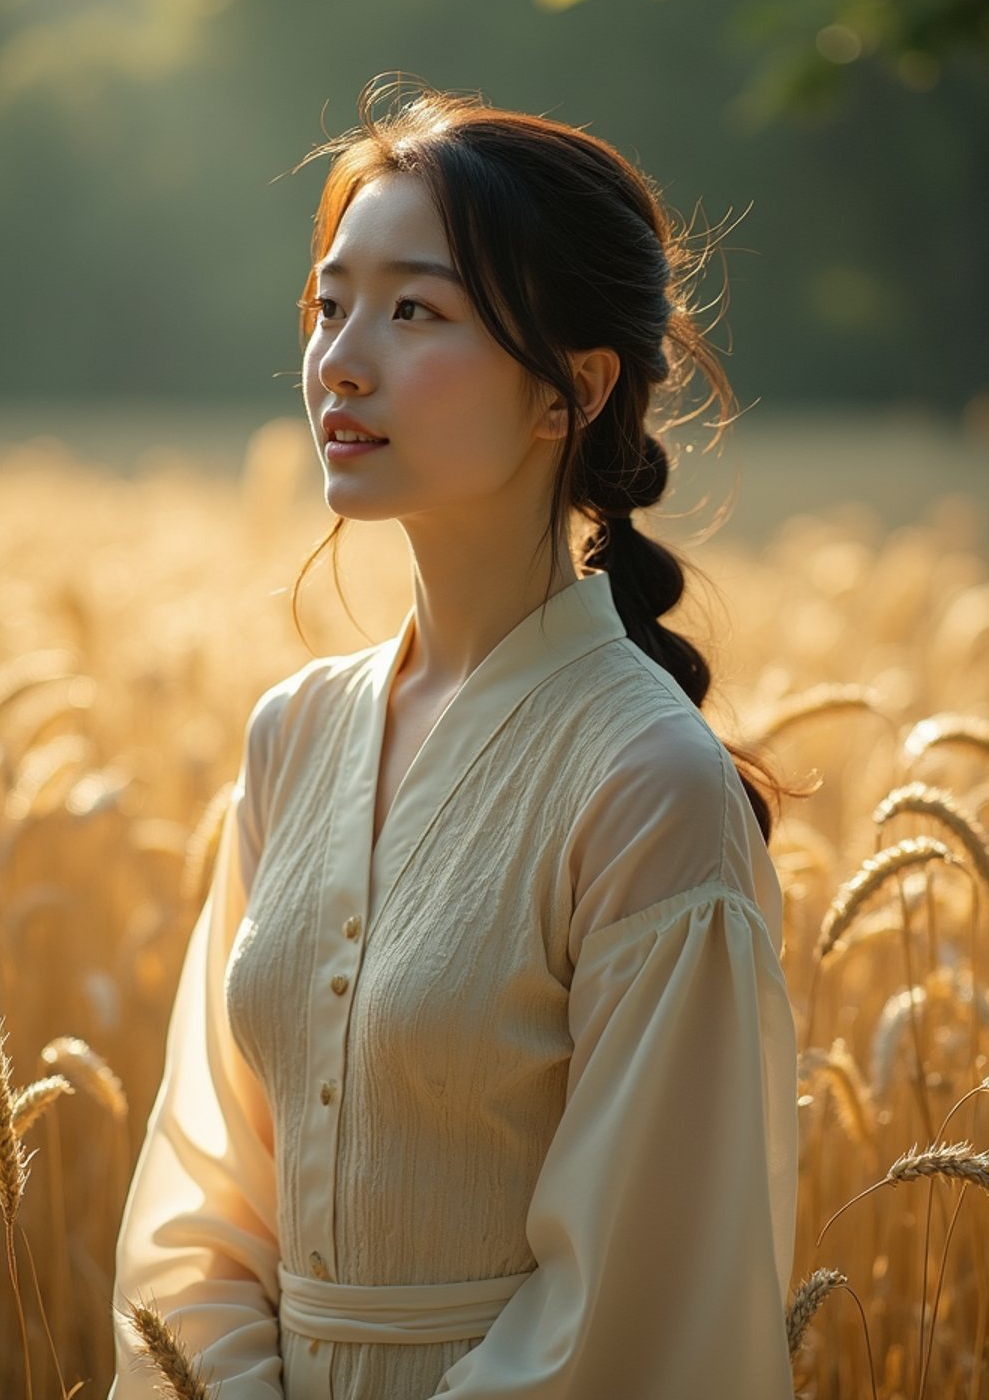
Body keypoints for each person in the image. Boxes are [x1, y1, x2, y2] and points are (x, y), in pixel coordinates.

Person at [110, 77, 799, 1400]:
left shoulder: (649, 784)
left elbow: (636, 1300)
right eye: (329, 304)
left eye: (414, 310)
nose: (341, 360)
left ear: (573, 392)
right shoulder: (291, 738)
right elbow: (199, 1199)